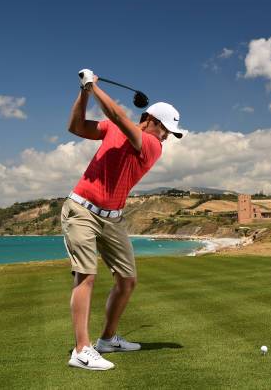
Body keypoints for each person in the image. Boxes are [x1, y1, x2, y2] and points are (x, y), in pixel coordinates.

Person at [63, 69, 183, 370]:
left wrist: (94, 86)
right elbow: (76, 127)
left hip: (113, 219)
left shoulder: (151, 146)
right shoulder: (120, 128)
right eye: (165, 129)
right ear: (152, 120)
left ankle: (107, 339)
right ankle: (81, 349)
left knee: (127, 281)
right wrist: (84, 93)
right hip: (81, 209)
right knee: (86, 275)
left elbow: (118, 117)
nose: (167, 136)